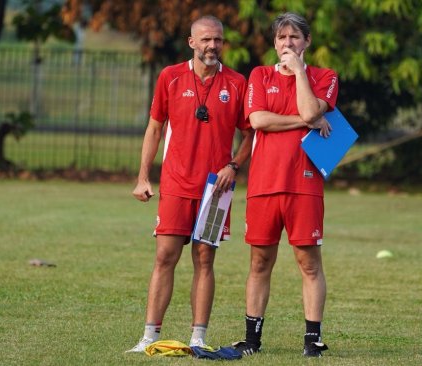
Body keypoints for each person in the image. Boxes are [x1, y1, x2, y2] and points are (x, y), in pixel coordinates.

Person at [126, 15, 254, 353]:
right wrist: (143, 176)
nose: (213, 46)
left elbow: (250, 134)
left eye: (218, 40)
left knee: (204, 258)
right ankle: (149, 336)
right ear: (192, 42)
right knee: (165, 257)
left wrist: (233, 165)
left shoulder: (238, 83)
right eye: (206, 39)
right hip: (175, 184)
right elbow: (154, 129)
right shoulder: (169, 77)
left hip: (216, 189)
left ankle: (198, 337)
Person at [232, 12, 338, 358]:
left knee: (308, 263)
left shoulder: (325, 77)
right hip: (263, 184)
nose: (287, 44)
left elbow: (311, 111)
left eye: (294, 38)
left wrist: (301, 75)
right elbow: (258, 120)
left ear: (306, 42)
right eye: (281, 39)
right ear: (274, 43)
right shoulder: (260, 75)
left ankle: (313, 340)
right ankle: (252, 339)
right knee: (259, 263)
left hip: (304, 185)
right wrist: (303, 121)